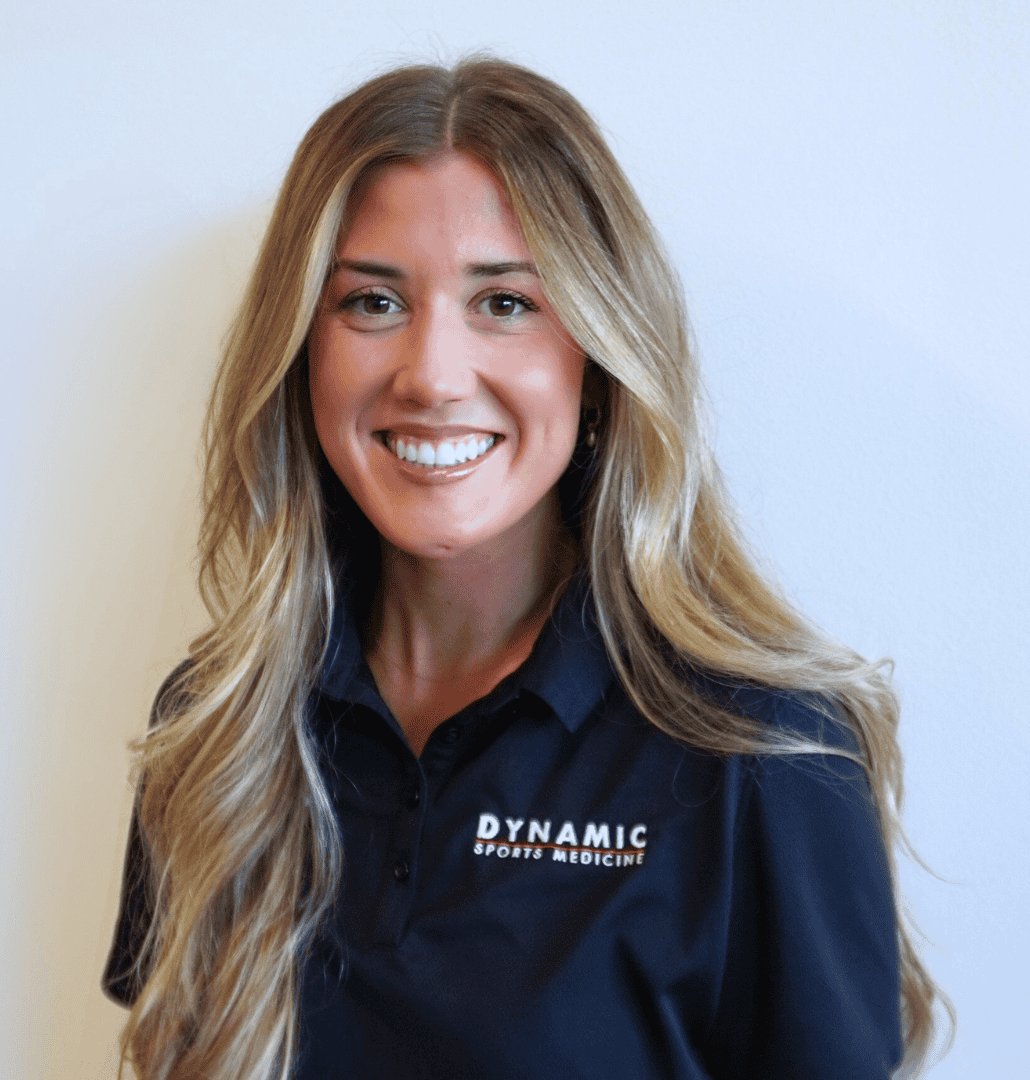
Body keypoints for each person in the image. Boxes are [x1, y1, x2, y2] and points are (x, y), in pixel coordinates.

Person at [104, 56, 948, 1079]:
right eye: (372, 302)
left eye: (503, 304)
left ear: (595, 357)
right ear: (301, 355)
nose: (432, 375)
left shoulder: (764, 754)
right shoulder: (217, 729)